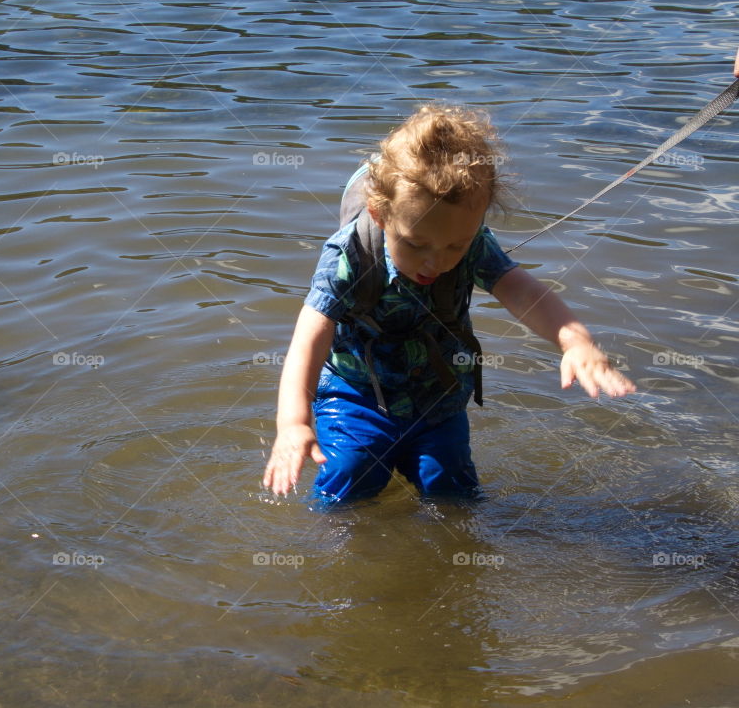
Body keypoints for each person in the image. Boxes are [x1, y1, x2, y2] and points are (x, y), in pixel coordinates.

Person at [262, 103, 636, 502]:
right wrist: (294, 422)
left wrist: (575, 340)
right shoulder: (349, 255)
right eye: (416, 244)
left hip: (438, 397)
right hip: (355, 394)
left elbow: (523, 292)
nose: (436, 261)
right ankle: (336, 552)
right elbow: (309, 337)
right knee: (349, 479)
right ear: (381, 214)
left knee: (452, 490)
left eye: (455, 245)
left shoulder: (474, 245)